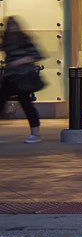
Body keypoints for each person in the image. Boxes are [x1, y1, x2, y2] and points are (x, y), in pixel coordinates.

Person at [2, 16, 45, 144]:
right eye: (9, 26)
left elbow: (37, 55)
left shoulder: (24, 39)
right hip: (9, 77)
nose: (12, 28)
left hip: (23, 77)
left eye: (13, 25)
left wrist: (20, 61)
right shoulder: (6, 40)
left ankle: (35, 134)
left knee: (26, 104)